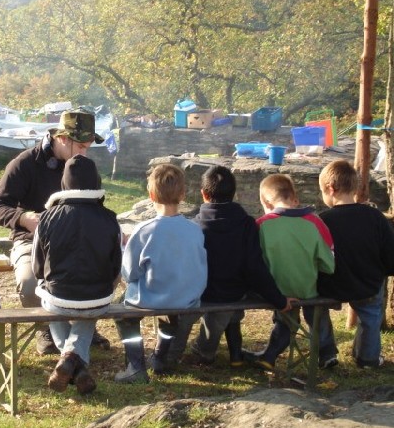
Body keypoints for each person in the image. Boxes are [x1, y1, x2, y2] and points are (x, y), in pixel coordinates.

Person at [0, 108, 111, 355]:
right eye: (81, 147)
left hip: (78, 239)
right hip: (32, 239)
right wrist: (22, 218)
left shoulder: (84, 167)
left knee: (104, 272)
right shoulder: (25, 163)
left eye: (88, 148)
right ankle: (46, 326)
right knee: (28, 282)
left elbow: (96, 206)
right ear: (62, 138)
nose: (84, 154)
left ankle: (83, 325)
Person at [167, 165, 294, 367]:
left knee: (184, 319)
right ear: (234, 194)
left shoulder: (194, 226)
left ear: (203, 194)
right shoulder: (247, 224)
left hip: (196, 293)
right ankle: (205, 350)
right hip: (231, 293)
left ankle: (169, 356)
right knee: (219, 318)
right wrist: (278, 299)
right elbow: (255, 267)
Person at [33, 155, 122, 394]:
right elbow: (116, 267)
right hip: (98, 298)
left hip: (58, 299)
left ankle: (70, 359)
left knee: (51, 302)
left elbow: (37, 268)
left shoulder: (46, 218)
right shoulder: (110, 218)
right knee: (89, 307)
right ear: (96, 182)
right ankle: (75, 363)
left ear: (64, 183)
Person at [114, 163, 207, 383]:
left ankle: (136, 366)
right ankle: (159, 356)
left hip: (151, 297)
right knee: (170, 316)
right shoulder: (195, 230)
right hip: (186, 297)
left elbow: (129, 272)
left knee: (122, 315)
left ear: (151, 195)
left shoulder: (144, 230)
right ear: (183, 194)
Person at [249, 173, 336, 371]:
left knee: (285, 320)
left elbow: (255, 260)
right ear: (295, 198)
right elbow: (328, 264)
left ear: (265, 202)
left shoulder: (261, 225)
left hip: (277, 290)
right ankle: (327, 353)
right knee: (319, 316)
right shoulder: (315, 222)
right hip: (308, 288)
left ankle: (270, 354)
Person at [317, 160, 394, 369]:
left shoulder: (322, 220)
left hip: (330, 284)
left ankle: (326, 352)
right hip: (367, 283)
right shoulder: (375, 217)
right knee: (371, 317)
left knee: (316, 311)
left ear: (330, 189)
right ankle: (367, 358)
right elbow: (389, 252)